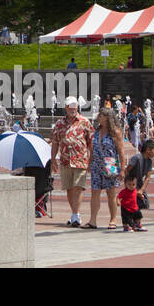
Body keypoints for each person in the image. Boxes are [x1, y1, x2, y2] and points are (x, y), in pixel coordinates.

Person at [50, 96, 94, 228]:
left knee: (78, 187)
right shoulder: (59, 124)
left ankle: (75, 214)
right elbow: (55, 142)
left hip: (80, 160)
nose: (73, 108)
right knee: (69, 189)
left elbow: (91, 141)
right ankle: (76, 214)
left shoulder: (84, 121)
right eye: (70, 106)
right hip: (65, 160)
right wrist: (53, 159)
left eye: (75, 106)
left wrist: (91, 159)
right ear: (66, 108)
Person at [87, 106, 125, 229]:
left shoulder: (115, 132)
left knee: (111, 192)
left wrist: (122, 169)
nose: (98, 118)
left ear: (107, 118)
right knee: (95, 191)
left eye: (101, 116)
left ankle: (113, 219)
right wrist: (90, 162)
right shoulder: (97, 131)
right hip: (96, 163)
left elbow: (121, 151)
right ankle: (93, 220)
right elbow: (93, 148)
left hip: (110, 163)